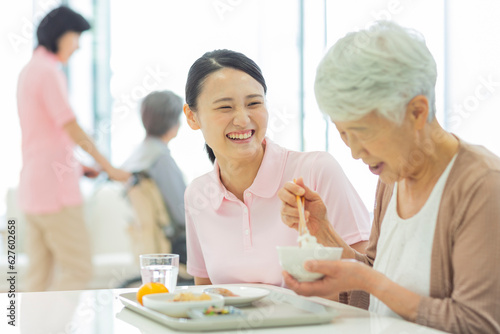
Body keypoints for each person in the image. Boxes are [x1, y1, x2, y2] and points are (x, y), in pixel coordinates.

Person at [279, 21, 500, 333]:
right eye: (343, 134)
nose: (355, 151)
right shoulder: (391, 178)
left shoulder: (482, 185)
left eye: (363, 133)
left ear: (417, 112)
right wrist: (323, 232)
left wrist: (366, 280)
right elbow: (378, 279)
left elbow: (477, 323)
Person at [183, 49, 371, 287]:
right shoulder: (197, 194)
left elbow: (368, 281)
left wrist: (325, 234)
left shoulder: (315, 171)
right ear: (192, 116)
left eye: (254, 103)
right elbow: (206, 297)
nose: (242, 119)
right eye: (225, 107)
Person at [16, 6, 130, 291]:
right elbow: (72, 128)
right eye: (75, 37)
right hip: (55, 194)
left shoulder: (29, 70)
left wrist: (80, 167)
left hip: (34, 189)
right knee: (79, 268)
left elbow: (43, 139)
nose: (78, 45)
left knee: (39, 277)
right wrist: (109, 168)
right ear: (60, 35)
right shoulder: (49, 72)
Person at [122, 90, 187, 264]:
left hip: (149, 243)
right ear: (173, 122)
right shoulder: (160, 159)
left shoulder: (138, 155)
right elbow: (184, 214)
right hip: (176, 246)